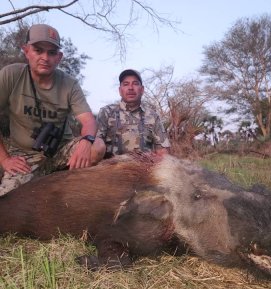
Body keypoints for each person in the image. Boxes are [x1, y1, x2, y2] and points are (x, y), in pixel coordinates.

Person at [0, 24, 105, 196]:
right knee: (7, 202)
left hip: (60, 152)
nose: (45, 57)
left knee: (97, 145)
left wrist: (86, 141)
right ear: (26, 51)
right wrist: (5, 160)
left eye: (51, 52)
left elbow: (88, 120)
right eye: (38, 50)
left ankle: (71, 185)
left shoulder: (69, 83)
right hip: (24, 158)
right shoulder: (10, 75)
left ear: (59, 57)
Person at [96, 69, 170, 157]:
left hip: (142, 169)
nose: (130, 88)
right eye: (126, 84)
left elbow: (163, 152)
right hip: (109, 168)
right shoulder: (106, 112)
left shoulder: (153, 116)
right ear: (120, 90)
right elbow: (95, 146)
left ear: (142, 90)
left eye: (135, 83)